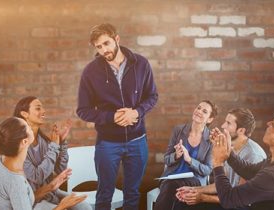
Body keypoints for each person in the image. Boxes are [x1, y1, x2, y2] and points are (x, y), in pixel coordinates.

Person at [76, 23, 158, 210]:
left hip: (138, 140)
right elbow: (83, 110)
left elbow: (152, 96)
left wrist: (136, 112)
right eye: (99, 47)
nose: (104, 50)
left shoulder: (141, 64)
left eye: (107, 43)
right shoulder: (90, 72)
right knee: (104, 193)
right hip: (107, 143)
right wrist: (112, 117)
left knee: (133, 193)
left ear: (117, 39)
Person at [176, 108, 266, 210]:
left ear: (241, 130)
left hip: (241, 206)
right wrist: (195, 190)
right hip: (228, 199)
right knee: (185, 201)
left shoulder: (253, 155)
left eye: (228, 123)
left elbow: (238, 198)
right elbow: (222, 185)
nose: (223, 126)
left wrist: (202, 197)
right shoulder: (230, 148)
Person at [13, 96, 91, 210]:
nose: (43, 111)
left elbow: (60, 169)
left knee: (84, 206)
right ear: (24, 114)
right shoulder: (20, 146)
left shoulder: (43, 141)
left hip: (51, 193)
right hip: (33, 200)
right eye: (38, 108)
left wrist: (62, 142)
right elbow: (37, 177)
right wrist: (54, 146)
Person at [0, 117, 87, 210]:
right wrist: (62, 206)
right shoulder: (16, 181)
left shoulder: (0, 163)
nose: (31, 127)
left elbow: (24, 199)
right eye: (28, 126)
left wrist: (50, 186)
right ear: (25, 142)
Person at [210, 110, 274, 210]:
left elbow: (229, 200)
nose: (268, 123)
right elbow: (250, 171)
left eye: (273, 125)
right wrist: (227, 149)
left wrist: (217, 162)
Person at [154, 100, 218, 210]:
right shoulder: (178, 130)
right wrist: (176, 156)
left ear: (210, 119)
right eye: (198, 108)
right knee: (171, 186)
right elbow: (166, 159)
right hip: (171, 177)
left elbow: (207, 170)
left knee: (171, 187)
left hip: (194, 181)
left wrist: (189, 160)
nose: (199, 112)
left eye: (204, 111)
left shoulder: (211, 140)